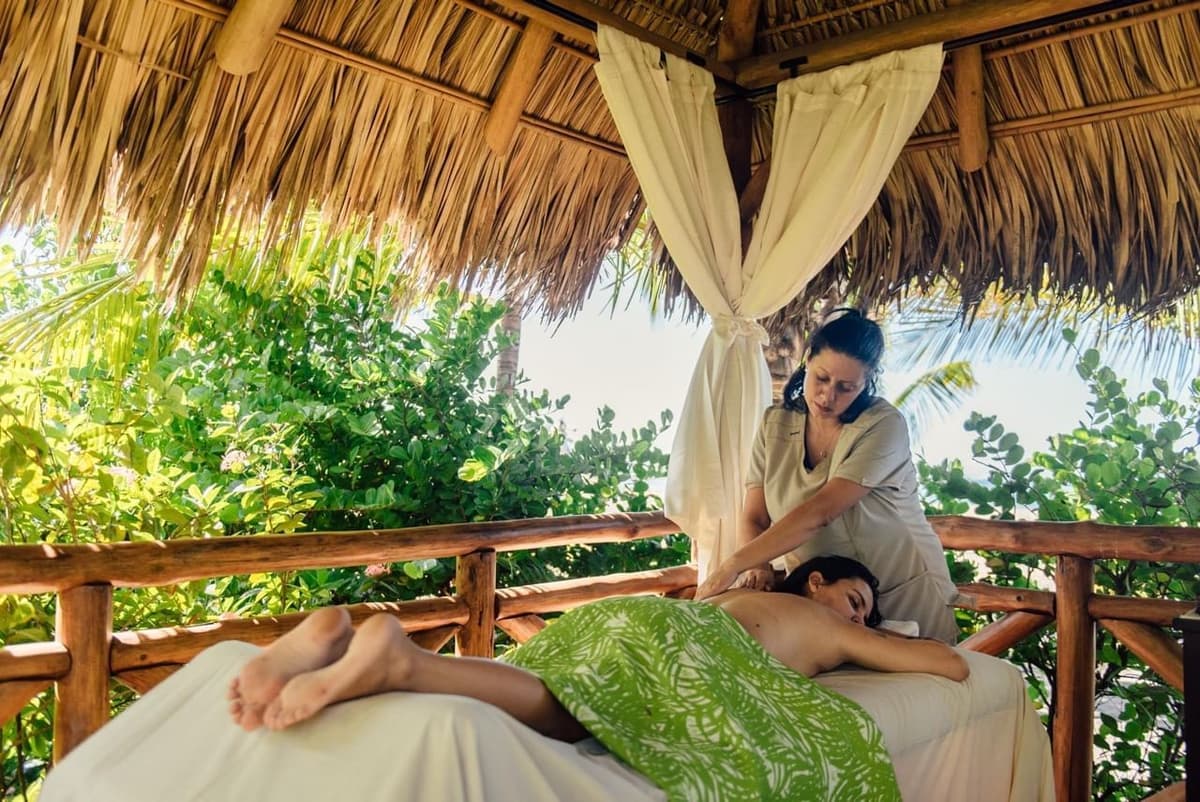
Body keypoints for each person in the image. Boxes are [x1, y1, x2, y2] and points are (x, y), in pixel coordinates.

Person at [228, 556, 967, 801]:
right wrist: (889, 637)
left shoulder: (741, 591)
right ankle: (401, 663)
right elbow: (947, 663)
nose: (860, 620)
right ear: (816, 581)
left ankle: (341, 644)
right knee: (572, 712)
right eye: (856, 599)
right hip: (684, 641)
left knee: (546, 681)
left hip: (642, 617)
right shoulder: (826, 623)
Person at [694, 309, 960, 644]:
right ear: (807, 360)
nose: (828, 396)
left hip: (903, 597)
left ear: (867, 382)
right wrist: (757, 566)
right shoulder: (774, 425)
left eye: (846, 387)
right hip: (823, 609)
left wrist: (731, 564)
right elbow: (755, 516)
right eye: (821, 378)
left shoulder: (882, 425)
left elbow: (821, 511)